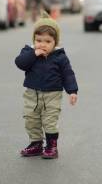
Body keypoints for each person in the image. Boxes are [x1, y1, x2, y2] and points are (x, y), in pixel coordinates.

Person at [15, 11, 78, 159]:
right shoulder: (29, 52)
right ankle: (36, 144)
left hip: (52, 95)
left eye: (47, 41)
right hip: (32, 94)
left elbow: (68, 74)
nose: (42, 44)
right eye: (38, 40)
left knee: (50, 121)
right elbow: (20, 63)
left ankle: (51, 146)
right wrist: (34, 54)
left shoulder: (60, 57)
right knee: (31, 119)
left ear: (55, 42)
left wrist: (73, 91)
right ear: (34, 39)